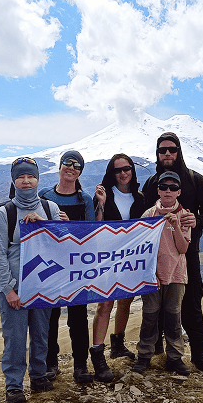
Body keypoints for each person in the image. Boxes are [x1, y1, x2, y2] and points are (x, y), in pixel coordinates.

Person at [142, 132, 203, 372]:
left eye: (172, 149)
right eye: (162, 150)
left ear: (179, 151)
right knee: (156, 307)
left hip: (187, 252)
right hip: (157, 257)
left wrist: (197, 220)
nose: (167, 154)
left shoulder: (195, 180)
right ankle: (158, 353)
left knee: (191, 302)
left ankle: (198, 353)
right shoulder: (152, 182)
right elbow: (141, 214)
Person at [0, 157, 62, 403]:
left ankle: (39, 376)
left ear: (38, 179)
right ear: (14, 181)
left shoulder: (50, 209)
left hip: (43, 283)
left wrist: (44, 224)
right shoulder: (5, 212)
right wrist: (9, 289)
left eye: (30, 176)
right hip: (15, 286)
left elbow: (64, 242)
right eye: (21, 176)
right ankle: (14, 386)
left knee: (42, 334)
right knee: (16, 338)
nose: (26, 181)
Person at [40, 150, 115, 384]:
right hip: (51, 265)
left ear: (80, 171)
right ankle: (50, 363)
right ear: (59, 166)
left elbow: (92, 233)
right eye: (67, 163)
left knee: (78, 317)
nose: (71, 168)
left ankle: (80, 365)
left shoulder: (84, 200)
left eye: (77, 165)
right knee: (50, 317)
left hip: (75, 267)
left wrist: (72, 223)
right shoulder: (44, 196)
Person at [132, 171, 191, 376]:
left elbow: (183, 249)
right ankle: (144, 356)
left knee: (173, 316)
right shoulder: (148, 215)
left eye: (173, 188)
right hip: (152, 275)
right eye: (164, 187)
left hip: (176, 273)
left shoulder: (185, 215)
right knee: (150, 314)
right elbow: (141, 246)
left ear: (179, 192)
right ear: (158, 190)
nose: (168, 191)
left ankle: (175, 357)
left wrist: (175, 225)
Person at [91, 154, 148, 360]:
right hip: (107, 258)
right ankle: (97, 352)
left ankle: (118, 345)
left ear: (132, 170)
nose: (123, 173)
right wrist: (101, 204)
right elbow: (95, 226)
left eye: (127, 168)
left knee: (125, 300)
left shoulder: (140, 198)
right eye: (118, 170)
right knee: (105, 304)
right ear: (111, 173)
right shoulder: (103, 195)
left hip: (131, 258)